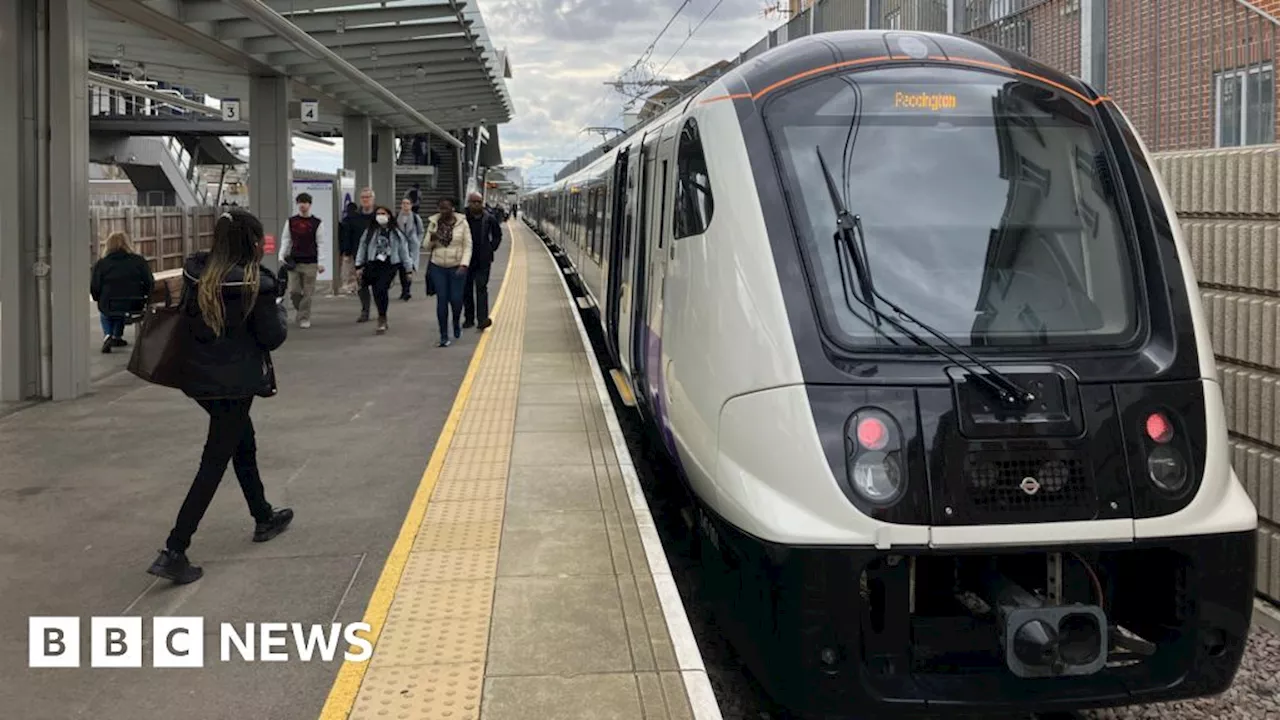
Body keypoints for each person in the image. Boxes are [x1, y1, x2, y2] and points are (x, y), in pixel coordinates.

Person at [147, 209, 294, 585]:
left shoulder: (198, 275)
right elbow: (271, 337)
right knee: (214, 460)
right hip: (236, 384)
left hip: (198, 380)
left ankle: (263, 515)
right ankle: (174, 549)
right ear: (252, 243)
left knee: (243, 442)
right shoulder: (255, 285)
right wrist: (282, 311)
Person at [90, 231, 155, 354]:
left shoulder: (102, 264)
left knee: (107, 312)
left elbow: (95, 286)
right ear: (127, 244)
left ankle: (108, 335)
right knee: (122, 308)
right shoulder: (138, 261)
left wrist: (97, 298)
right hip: (135, 302)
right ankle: (117, 337)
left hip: (109, 302)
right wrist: (147, 298)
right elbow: (149, 281)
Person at [355, 205, 411, 334]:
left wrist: (408, 269)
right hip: (373, 263)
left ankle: (382, 317)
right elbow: (362, 247)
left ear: (389, 216)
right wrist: (359, 265)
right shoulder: (370, 231)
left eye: (383, 213)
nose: (381, 216)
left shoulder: (396, 233)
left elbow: (404, 251)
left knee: (381, 289)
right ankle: (379, 313)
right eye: (378, 213)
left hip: (389, 265)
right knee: (374, 291)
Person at [425, 198, 472, 347]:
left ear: (453, 208)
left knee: (456, 300)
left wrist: (464, 264)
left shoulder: (462, 223)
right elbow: (426, 246)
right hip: (437, 266)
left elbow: (468, 246)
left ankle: (456, 321)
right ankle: (444, 335)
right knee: (442, 300)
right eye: (441, 208)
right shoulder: (434, 223)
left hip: (457, 266)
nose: (443, 211)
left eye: (446, 208)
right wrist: (431, 239)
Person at [279, 192, 327, 329]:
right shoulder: (291, 222)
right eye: (300, 202)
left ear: (310, 205)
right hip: (294, 262)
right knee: (294, 291)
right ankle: (302, 312)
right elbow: (286, 239)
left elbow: (321, 243)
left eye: (305, 202)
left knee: (308, 292)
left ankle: (304, 317)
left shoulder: (317, 223)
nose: (302, 205)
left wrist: (321, 262)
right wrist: (281, 255)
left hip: (311, 262)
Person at [462, 192, 502, 332]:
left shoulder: (489, 218)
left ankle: (482, 319)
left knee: (481, 288)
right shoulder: (463, 218)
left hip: (483, 260)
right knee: (466, 290)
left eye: (478, 202)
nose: (476, 204)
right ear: (469, 202)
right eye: (473, 202)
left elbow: (497, 235)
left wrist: (491, 248)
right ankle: (468, 318)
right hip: (466, 259)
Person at [352, 188, 380, 322]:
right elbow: (348, 234)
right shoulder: (354, 216)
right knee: (362, 285)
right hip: (359, 256)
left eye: (368, 197)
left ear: (373, 199)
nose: (365, 199)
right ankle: (365, 310)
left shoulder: (380, 215)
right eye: (363, 197)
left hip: (378, 256)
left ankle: (381, 310)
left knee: (378, 286)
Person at [396, 197, 423, 301]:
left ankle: (407, 291)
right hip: (400, 246)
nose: (405, 205)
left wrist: (418, 242)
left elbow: (421, 231)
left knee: (409, 268)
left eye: (407, 203)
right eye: (403, 203)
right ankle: (403, 289)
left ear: (411, 205)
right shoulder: (397, 217)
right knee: (402, 269)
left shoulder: (416, 218)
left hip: (412, 246)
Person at [337, 201, 363, 295]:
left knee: (348, 269)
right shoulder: (360, 219)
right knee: (357, 268)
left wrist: (345, 250)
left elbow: (345, 236)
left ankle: (349, 286)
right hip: (359, 248)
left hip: (349, 249)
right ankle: (358, 285)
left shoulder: (346, 220)